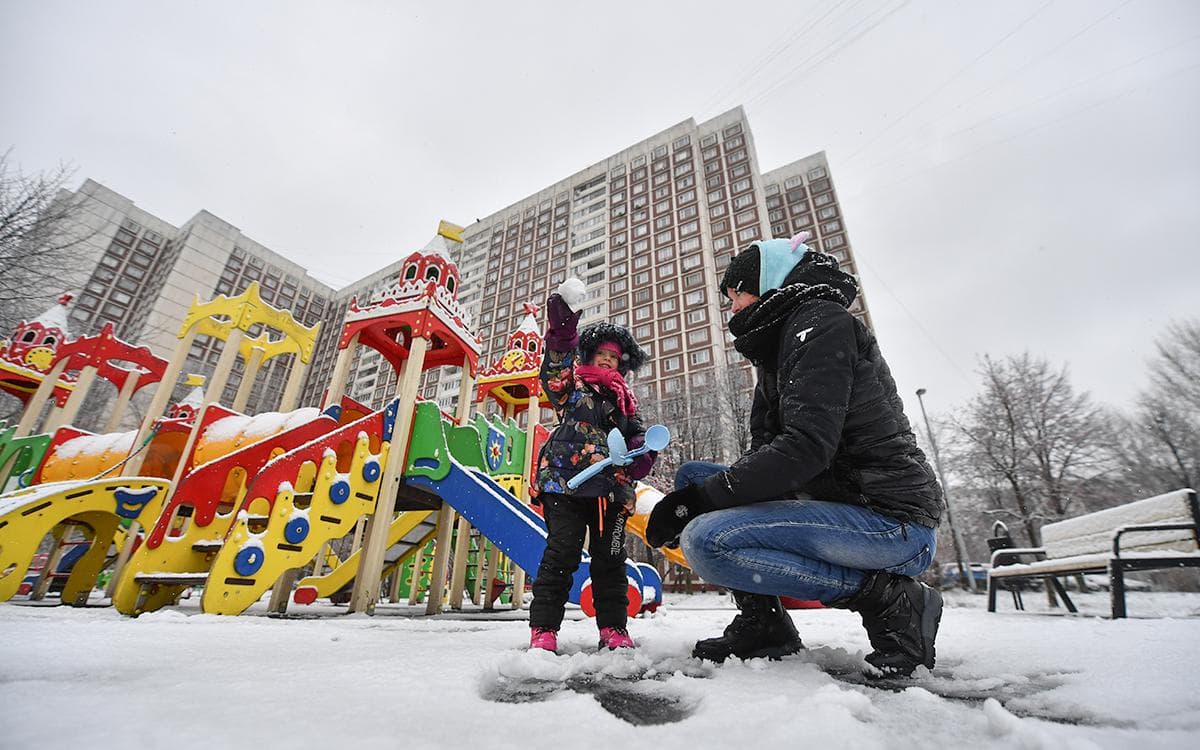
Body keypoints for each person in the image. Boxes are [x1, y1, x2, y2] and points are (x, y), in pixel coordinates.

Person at [645, 233, 944, 677]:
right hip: (838, 506)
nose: (733, 309)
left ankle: (890, 600)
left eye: (737, 294)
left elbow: (806, 448)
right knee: (693, 474)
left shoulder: (821, 322)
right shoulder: (780, 351)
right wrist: (698, 493)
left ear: (768, 285)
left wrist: (698, 505)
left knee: (707, 540)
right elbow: (765, 454)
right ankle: (765, 624)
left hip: (891, 522)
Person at [528, 278, 654, 653]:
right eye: (601, 353)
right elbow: (554, 372)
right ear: (588, 356)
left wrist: (641, 454)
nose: (607, 360)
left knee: (612, 561)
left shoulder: (626, 405)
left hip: (610, 493)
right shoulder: (573, 388)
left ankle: (614, 629)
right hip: (565, 485)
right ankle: (544, 630)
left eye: (614, 357)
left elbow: (640, 444)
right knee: (561, 554)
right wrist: (562, 335)